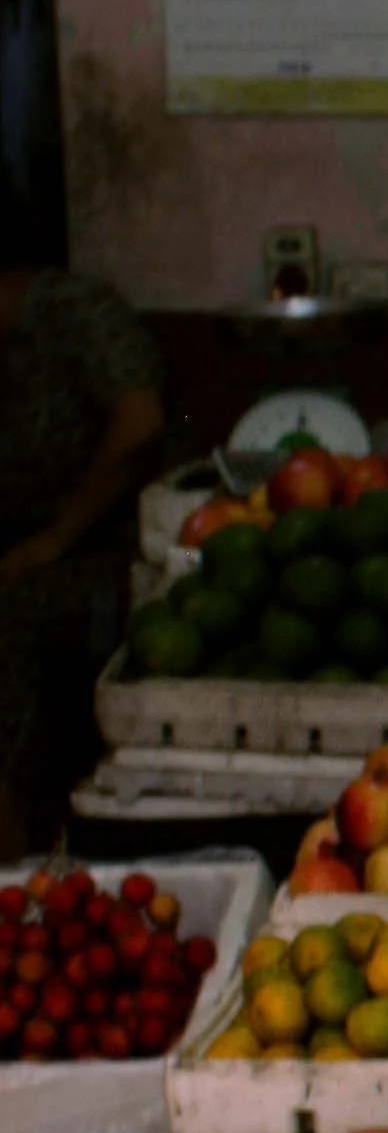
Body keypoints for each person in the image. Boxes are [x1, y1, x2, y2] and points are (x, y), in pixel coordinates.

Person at [0, 255, 164, 852]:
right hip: (32, 543)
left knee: (8, 617)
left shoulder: (75, 312)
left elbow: (141, 421)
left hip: (110, 552)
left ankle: (18, 839)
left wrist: (56, 537)